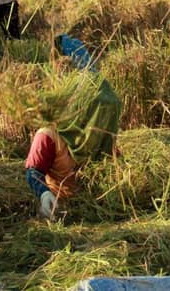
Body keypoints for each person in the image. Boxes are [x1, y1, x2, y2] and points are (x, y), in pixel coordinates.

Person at [25, 73, 122, 219]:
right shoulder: (49, 136)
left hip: (99, 211)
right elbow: (33, 171)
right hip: (61, 211)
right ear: (83, 110)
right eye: (98, 114)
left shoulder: (103, 137)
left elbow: (115, 168)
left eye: (107, 115)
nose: (103, 121)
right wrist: (44, 194)